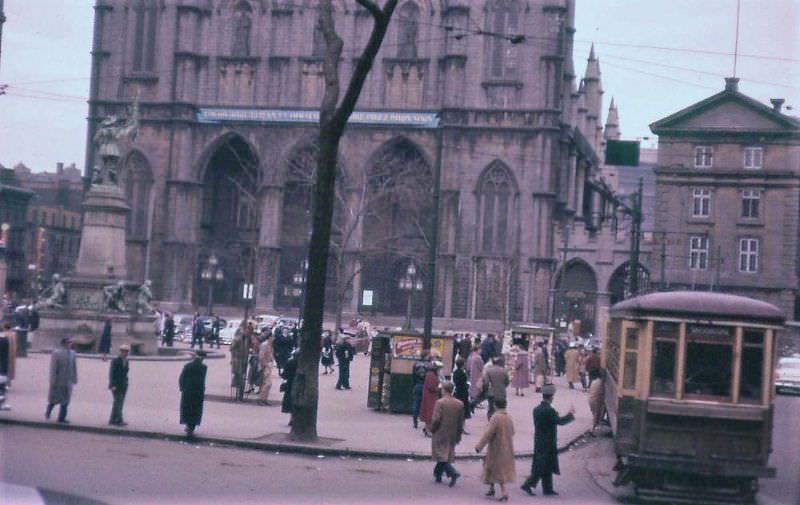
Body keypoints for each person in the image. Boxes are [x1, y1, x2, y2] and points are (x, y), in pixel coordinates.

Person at [521, 384, 575, 497]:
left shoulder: (536, 409)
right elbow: (560, 421)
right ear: (551, 397)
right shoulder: (549, 411)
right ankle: (528, 484)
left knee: (546, 465)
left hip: (539, 439)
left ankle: (548, 488)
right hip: (548, 441)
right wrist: (570, 414)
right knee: (543, 465)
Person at [475, 397, 516, 501]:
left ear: (495, 405)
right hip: (507, 446)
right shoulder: (509, 417)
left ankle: (504, 492)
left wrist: (479, 446)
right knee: (490, 466)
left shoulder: (496, 417)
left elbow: (488, 433)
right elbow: (512, 431)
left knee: (498, 470)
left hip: (496, 447)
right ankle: (491, 488)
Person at [430, 381, 464, 487]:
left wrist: (432, 429)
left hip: (440, 432)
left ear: (444, 390)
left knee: (441, 455)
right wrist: (459, 433)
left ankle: (452, 472)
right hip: (452, 433)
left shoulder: (440, 403)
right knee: (445, 454)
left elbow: (436, 419)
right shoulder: (459, 404)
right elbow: (461, 421)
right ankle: (438, 475)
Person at [46, 337, 78, 423]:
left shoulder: (73, 353)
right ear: (63, 344)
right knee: (54, 399)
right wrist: (53, 380)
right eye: (68, 343)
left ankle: (61, 418)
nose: (70, 344)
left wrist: (74, 379)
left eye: (71, 343)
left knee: (66, 401)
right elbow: (53, 368)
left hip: (68, 381)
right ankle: (49, 410)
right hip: (59, 380)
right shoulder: (56, 353)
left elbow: (74, 367)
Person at [179, 350, 208, 437]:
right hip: (198, 391)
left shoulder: (188, 366)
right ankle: (191, 426)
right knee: (196, 409)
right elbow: (202, 381)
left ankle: (188, 425)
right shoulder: (204, 367)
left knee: (187, 408)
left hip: (188, 390)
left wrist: (182, 388)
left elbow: (182, 378)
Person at [108, 344, 130, 426]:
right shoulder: (115, 361)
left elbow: (126, 373)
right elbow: (111, 373)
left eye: (127, 352)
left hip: (124, 384)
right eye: (124, 352)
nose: (125, 353)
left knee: (117, 402)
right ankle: (119, 419)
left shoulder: (127, 361)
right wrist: (112, 385)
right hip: (116, 385)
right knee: (119, 402)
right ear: (120, 352)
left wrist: (127, 382)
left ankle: (112, 419)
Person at [419, 360, 442, 436]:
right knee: (430, 413)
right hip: (430, 397)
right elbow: (431, 387)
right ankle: (428, 430)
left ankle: (426, 428)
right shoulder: (431, 375)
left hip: (430, 396)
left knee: (428, 413)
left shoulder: (430, 374)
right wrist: (439, 388)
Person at [411, 353, 430, 429]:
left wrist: (414, 385)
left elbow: (413, 376)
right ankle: (427, 422)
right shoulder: (429, 365)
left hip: (417, 385)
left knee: (416, 403)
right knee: (426, 404)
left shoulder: (415, 364)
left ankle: (415, 421)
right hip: (425, 386)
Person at [451, 357, 471, 425]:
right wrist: (467, 385)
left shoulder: (455, 372)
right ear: (463, 364)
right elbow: (463, 383)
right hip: (463, 392)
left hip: (457, 392)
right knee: (463, 409)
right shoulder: (462, 373)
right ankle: (462, 425)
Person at [280, 351, 297, 421]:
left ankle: (292, 418)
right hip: (301, 384)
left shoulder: (290, 362)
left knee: (290, 400)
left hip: (290, 384)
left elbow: (284, 375)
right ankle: (295, 418)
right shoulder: (303, 364)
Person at [466, 345, 484, 409]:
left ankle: (472, 400)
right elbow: (482, 367)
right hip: (477, 375)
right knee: (477, 388)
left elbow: (467, 366)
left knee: (472, 388)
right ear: (478, 349)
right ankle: (476, 402)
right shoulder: (478, 357)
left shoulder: (470, 356)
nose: (481, 351)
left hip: (471, 374)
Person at [258, 333, 273, 405]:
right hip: (265, 366)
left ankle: (264, 399)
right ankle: (261, 399)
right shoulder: (264, 345)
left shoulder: (269, 345)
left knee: (267, 384)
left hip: (268, 365)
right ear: (269, 337)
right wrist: (264, 365)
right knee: (267, 383)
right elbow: (261, 356)